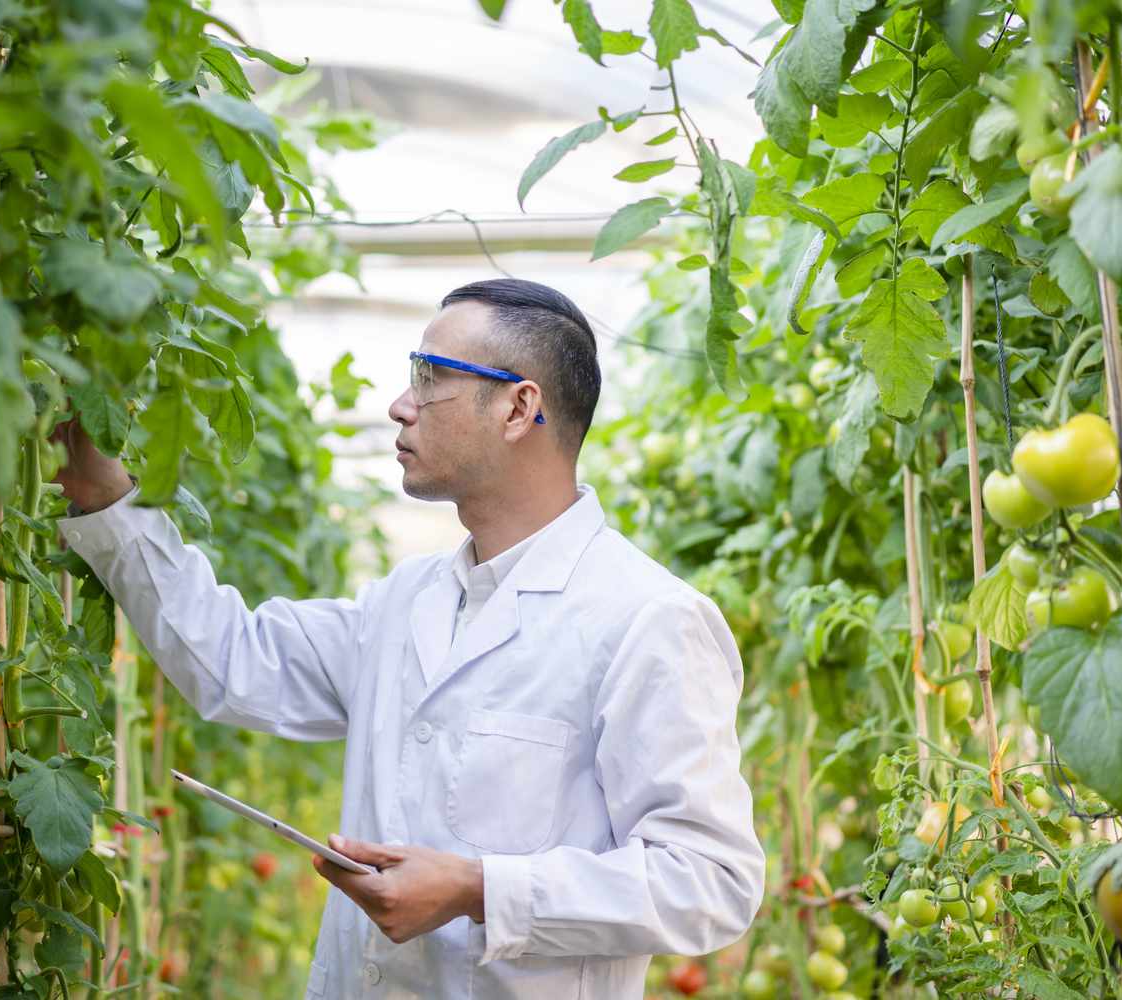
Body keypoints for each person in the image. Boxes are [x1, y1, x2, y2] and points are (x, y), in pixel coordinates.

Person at [52, 278, 764, 999]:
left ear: (519, 407)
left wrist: (480, 889)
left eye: (429, 379)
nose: (400, 405)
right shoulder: (407, 601)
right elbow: (236, 661)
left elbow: (711, 880)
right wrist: (111, 503)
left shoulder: (646, 619)